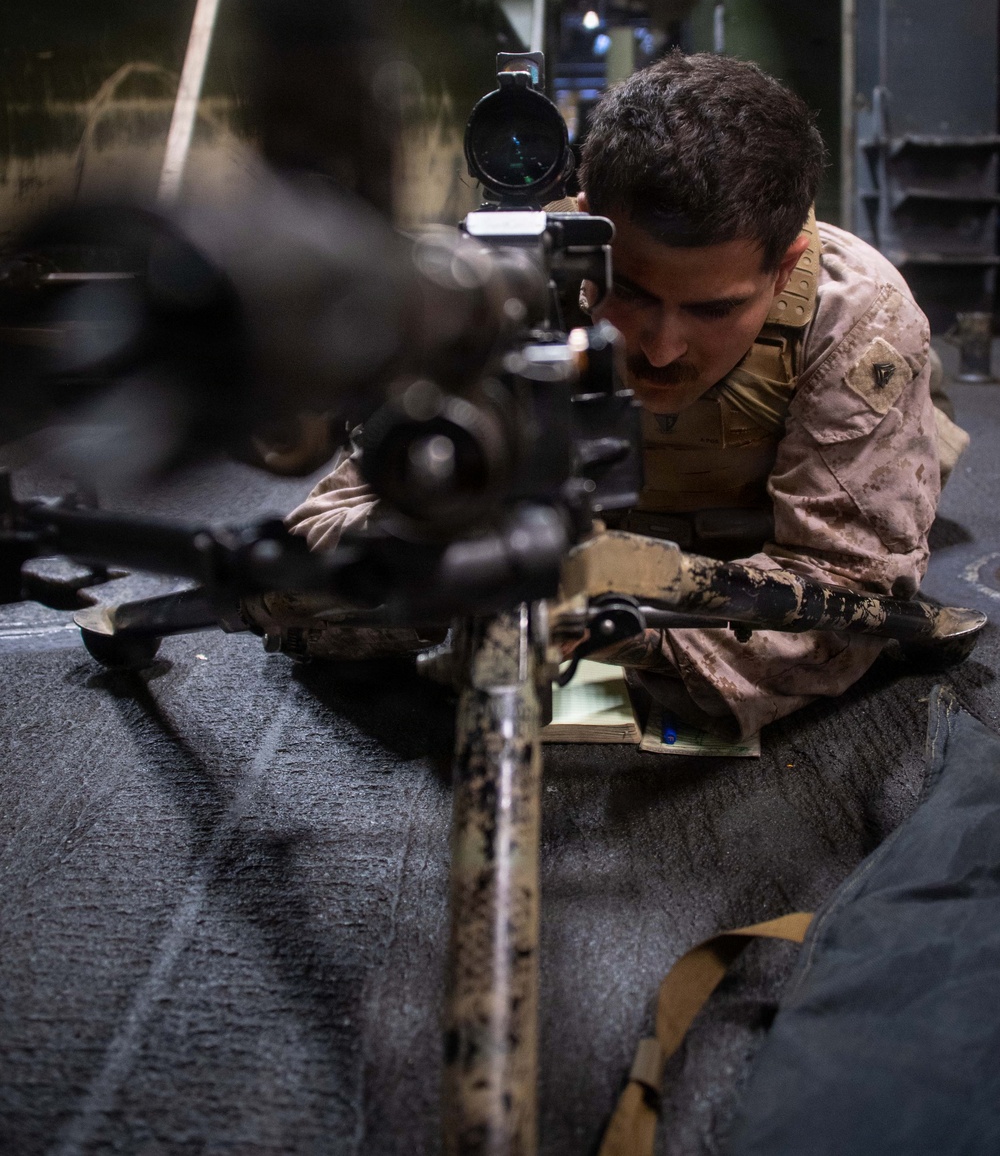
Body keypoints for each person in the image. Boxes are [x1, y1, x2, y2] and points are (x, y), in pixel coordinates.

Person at [246, 53, 968, 739]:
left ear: (787, 267)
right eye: (629, 291)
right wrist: (453, 562)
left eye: (714, 310)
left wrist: (619, 621)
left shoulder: (857, 315)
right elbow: (320, 533)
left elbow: (848, 599)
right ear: (587, 220)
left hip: (801, 480)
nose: (659, 348)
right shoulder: (513, 280)